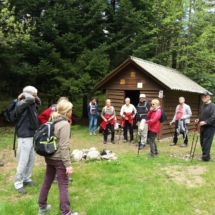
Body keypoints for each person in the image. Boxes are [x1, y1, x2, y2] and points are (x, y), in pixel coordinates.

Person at [38, 100, 78, 215]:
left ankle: (42, 207)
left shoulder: (52, 119)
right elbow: (64, 146)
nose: (71, 111)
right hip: (59, 158)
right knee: (63, 185)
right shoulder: (65, 124)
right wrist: (68, 165)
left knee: (47, 181)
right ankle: (66, 212)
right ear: (67, 111)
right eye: (71, 109)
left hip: (49, 157)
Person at [38, 96, 72, 184]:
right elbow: (41, 117)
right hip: (54, 147)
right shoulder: (52, 111)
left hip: (59, 140)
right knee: (58, 158)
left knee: (47, 180)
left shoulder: (63, 117)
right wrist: (46, 127)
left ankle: (58, 176)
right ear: (58, 104)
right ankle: (59, 177)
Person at [14, 86, 41, 194]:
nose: (35, 97)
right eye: (34, 95)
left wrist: (35, 95)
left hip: (31, 135)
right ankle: (18, 183)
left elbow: (38, 102)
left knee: (31, 159)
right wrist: (25, 94)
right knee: (23, 161)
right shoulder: (21, 103)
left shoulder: (31, 104)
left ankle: (27, 179)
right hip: (24, 136)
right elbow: (29, 98)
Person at [195, 91, 215, 162]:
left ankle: (205, 157)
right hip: (202, 127)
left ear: (209, 97)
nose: (203, 97)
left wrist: (206, 122)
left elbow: (213, 117)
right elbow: (201, 115)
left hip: (210, 127)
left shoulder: (212, 106)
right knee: (202, 141)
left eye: (205, 96)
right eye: (202, 96)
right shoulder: (203, 106)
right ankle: (206, 155)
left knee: (206, 142)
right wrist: (198, 119)